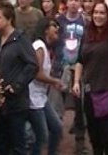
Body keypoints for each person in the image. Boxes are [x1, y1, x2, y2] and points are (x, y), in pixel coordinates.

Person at [72, 0, 108, 155]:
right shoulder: (87, 34)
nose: (98, 16)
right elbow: (80, 60)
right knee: (95, 136)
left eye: (102, 13)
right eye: (96, 12)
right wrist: (76, 81)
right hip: (92, 90)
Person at [0, 1, 39, 155]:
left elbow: (32, 65)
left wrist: (16, 85)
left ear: (9, 19)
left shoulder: (20, 39)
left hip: (16, 103)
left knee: (17, 145)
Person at [56, 0, 88, 154]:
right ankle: (55, 137)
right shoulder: (59, 21)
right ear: (66, 2)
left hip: (79, 67)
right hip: (62, 67)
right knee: (58, 104)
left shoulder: (85, 22)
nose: (74, 3)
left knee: (80, 106)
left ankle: (80, 141)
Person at [28, 18, 64, 155]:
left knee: (57, 127)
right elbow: (36, 73)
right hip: (33, 98)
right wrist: (54, 81)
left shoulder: (46, 48)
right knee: (42, 136)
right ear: (45, 29)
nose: (57, 29)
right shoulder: (39, 46)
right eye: (54, 26)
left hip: (41, 97)